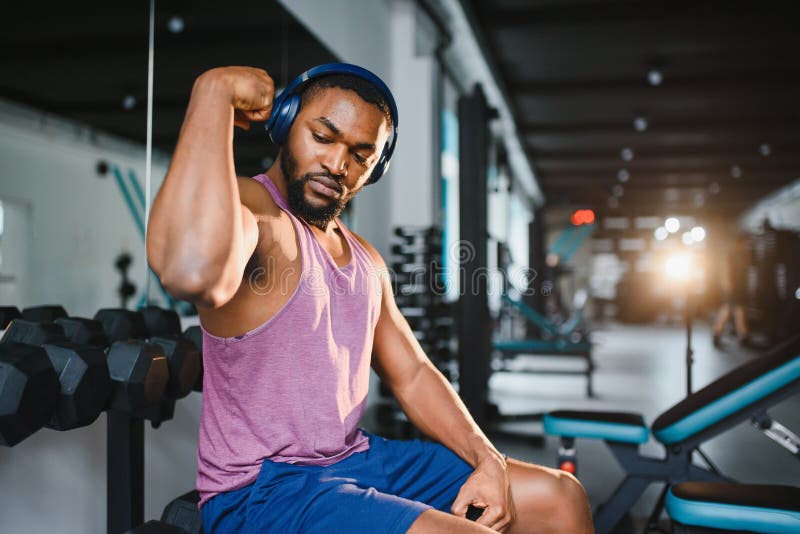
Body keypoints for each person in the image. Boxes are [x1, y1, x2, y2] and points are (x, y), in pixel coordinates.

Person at [147, 64, 592, 534]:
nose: (338, 165)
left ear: (374, 168)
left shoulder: (365, 260)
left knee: (560, 498)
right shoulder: (257, 216)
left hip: (356, 459)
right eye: (323, 137)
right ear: (285, 124)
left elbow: (415, 374)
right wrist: (211, 96)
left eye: (360, 155)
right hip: (263, 491)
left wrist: (489, 460)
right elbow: (189, 271)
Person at [712, 233, 750, 347]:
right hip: (732, 287)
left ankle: (742, 335)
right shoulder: (731, 254)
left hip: (737, 287)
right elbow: (726, 271)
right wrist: (728, 285)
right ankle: (719, 333)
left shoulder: (741, 254)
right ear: (740, 243)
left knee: (736, 309)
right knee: (730, 309)